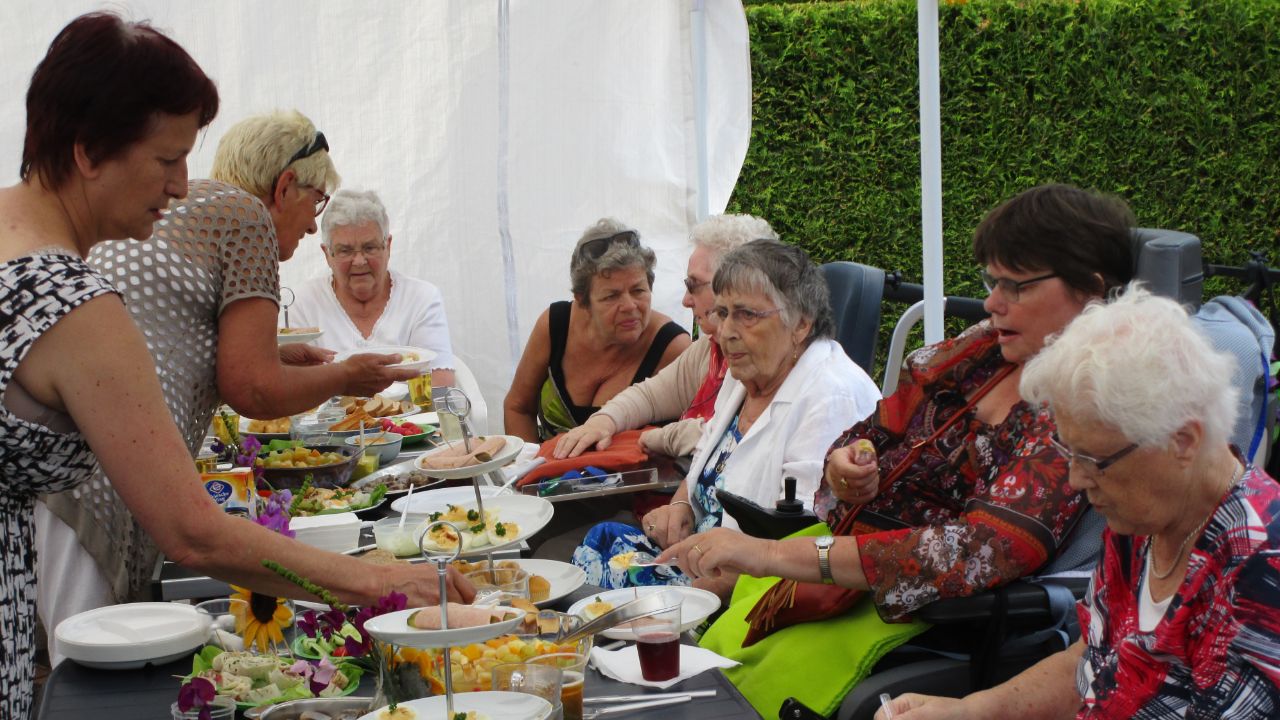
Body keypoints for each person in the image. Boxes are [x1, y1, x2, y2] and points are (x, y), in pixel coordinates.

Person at [0, 14, 470, 717]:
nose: (184, 186)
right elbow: (194, 529)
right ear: (90, 151)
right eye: (167, 161)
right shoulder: (75, 305)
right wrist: (380, 583)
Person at [656, 184, 1137, 717]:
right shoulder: (983, 352)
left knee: (730, 694)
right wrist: (848, 465)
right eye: (991, 281)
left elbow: (981, 548)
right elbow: (873, 430)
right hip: (843, 568)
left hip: (924, 615)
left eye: (1016, 286)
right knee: (704, 681)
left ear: (1092, 291)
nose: (992, 302)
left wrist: (772, 554)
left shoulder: (1089, 402)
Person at [36, 112, 423, 661]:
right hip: (99, 483)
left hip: (71, 477)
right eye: (314, 204)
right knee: (95, 659)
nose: (313, 226)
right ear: (285, 186)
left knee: (87, 656)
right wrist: (348, 375)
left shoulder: (189, 205)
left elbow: (177, 334)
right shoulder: (248, 218)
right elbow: (253, 391)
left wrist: (279, 354)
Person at [878, 287, 1280, 719]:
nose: (1075, 478)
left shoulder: (1261, 571)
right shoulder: (1148, 521)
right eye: (1070, 453)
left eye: (1094, 460)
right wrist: (972, 711)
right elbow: (1093, 663)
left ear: (1183, 441)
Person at [575, 240, 881, 589]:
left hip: (749, 592)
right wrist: (680, 507)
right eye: (722, 313)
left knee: (592, 596)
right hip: (696, 560)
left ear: (801, 324)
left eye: (747, 315)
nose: (727, 332)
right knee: (600, 542)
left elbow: (805, 545)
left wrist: (690, 599)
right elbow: (707, 459)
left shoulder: (831, 396)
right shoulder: (746, 375)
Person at [552, 213, 777, 460]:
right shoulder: (710, 348)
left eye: (694, 285)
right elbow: (649, 396)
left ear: (736, 285)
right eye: (610, 296)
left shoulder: (769, 356)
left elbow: (731, 434)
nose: (686, 300)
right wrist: (602, 422)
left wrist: (656, 438)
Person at [503, 218, 691, 441]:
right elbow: (518, 407)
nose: (630, 306)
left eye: (638, 290)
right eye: (612, 296)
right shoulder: (555, 325)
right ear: (582, 300)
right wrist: (530, 468)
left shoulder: (672, 347)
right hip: (547, 472)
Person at [289, 188, 458, 388]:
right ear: (327, 254)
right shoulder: (303, 302)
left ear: (388, 246)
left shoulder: (421, 298)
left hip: (413, 419)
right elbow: (294, 384)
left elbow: (440, 383)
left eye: (370, 248)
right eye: (345, 251)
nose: (359, 261)